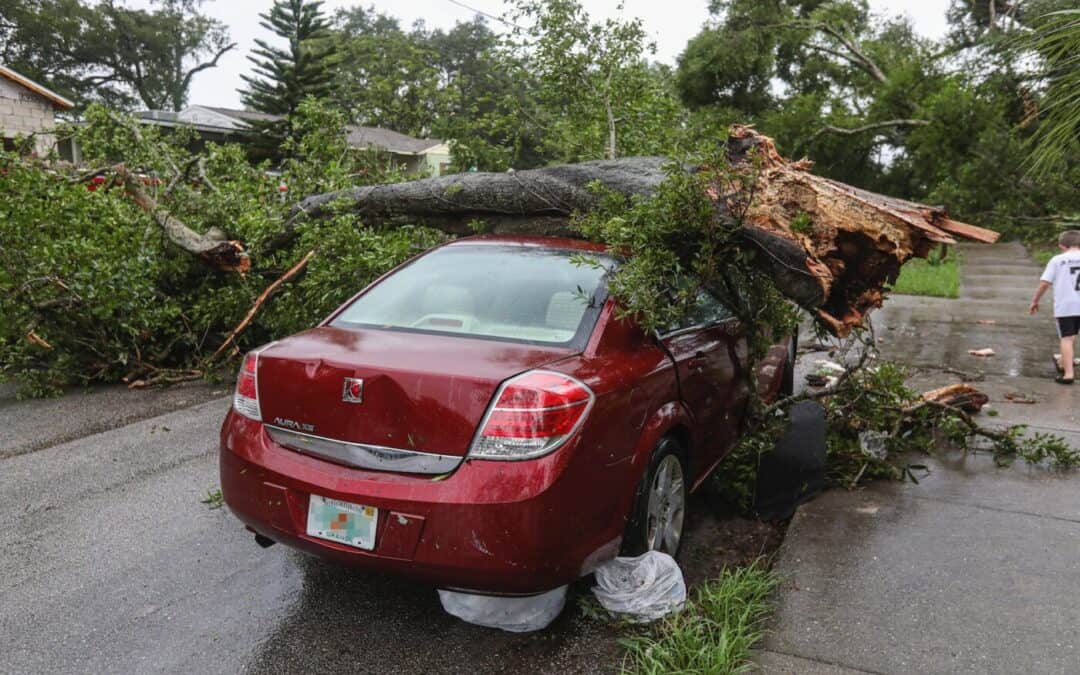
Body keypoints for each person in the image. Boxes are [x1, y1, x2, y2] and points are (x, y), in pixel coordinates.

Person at [1029, 230, 1080, 385]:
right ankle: (1062, 362)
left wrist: (1035, 300)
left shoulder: (1057, 260)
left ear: (1061, 246)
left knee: (1067, 338)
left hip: (1066, 306)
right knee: (1071, 337)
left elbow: (1045, 283)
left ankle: (1068, 374)